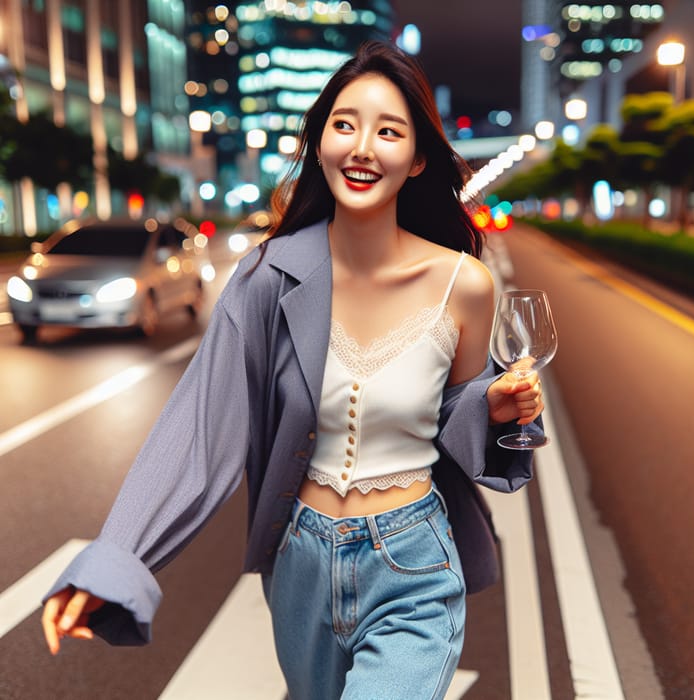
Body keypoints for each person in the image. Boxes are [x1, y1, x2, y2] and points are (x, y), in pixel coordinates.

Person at [42, 41, 545, 699]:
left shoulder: (465, 284)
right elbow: (198, 432)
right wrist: (113, 560)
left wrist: (496, 406)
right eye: (344, 124)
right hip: (300, 564)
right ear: (319, 141)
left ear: (418, 158)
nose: (362, 146)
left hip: (413, 561)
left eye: (388, 131)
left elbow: (456, 411)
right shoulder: (265, 278)